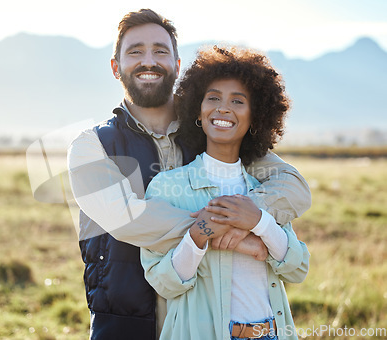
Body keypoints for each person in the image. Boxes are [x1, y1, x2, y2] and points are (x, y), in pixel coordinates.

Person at [66, 9, 311, 340]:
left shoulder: (214, 129)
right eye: (135, 51)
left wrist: (251, 217)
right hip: (124, 322)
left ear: (177, 66)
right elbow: (128, 218)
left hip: (206, 315)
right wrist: (225, 226)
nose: (148, 61)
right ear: (115, 67)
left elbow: (292, 186)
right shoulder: (91, 146)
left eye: (161, 51)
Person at [141, 46, 310, 340]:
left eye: (237, 101)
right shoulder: (167, 187)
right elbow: (163, 283)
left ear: (255, 117)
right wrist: (199, 233)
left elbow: (297, 269)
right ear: (199, 109)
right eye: (214, 98)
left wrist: (259, 221)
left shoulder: (264, 191)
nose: (223, 108)